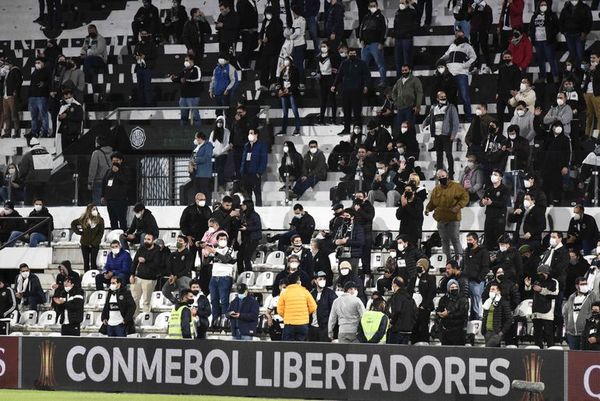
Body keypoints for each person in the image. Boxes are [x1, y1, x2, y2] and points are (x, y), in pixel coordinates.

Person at [425, 169, 469, 259]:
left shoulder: (456, 186)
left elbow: (465, 197)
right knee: (444, 241)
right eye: (440, 177)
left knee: (455, 239)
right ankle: (447, 261)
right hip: (441, 219)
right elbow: (433, 202)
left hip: (453, 218)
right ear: (437, 178)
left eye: (443, 176)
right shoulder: (436, 189)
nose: (442, 178)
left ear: (447, 176)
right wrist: (428, 209)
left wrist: (458, 206)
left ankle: (459, 261)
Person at [439, 27, 475, 121]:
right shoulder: (452, 46)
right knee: (451, 97)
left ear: (463, 34)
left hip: (461, 74)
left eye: (460, 33)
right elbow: (446, 56)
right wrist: (440, 61)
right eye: (457, 33)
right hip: (450, 74)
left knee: (464, 96)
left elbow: (473, 57)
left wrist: (464, 66)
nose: (458, 35)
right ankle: (454, 118)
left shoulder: (467, 46)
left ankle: (468, 118)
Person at [331, 48, 370, 136]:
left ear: (356, 54)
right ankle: (346, 129)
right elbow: (339, 75)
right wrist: (334, 85)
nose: (352, 54)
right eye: (351, 53)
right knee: (346, 111)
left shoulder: (361, 63)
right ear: (348, 54)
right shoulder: (344, 63)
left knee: (357, 112)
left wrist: (366, 86)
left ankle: (358, 131)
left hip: (357, 91)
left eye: (354, 53)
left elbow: (367, 75)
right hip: (346, 91)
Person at [423, 91, 460, 178]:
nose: (443, 98)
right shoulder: (434, 107)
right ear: (437, 98)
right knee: (439, 156)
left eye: (444, 96)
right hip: (437, 135)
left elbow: (456, 122)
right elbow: (429, 117)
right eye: (441, 96)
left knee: (448, 154)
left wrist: (453, 134)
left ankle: (451, 174)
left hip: (446, 135)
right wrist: (424, 123)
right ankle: (439, 174)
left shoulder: (451, 107)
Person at [277, 272, 318, 341]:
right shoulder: (305, 291)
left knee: (287, 348)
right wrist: (304, 314)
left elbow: (279, 310)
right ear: (298, 281)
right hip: (303, 324)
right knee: (302, 348)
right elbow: (313, 307)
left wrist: (287, 316)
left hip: (289, 324)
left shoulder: (284, 293)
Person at [527, 264, 559, 348]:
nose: (540, 275)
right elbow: (529, 293)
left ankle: (551, 352)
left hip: (547, 312)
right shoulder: (536, 281)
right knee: (537, 335)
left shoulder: (554, 281)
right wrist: (527, 286)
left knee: (548, 334)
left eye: (542, 273)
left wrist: (541, 290)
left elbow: (555, 294)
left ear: (547, 273)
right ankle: (538, 351)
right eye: (539, 273)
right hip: (536, 311)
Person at [130, 233, 162, 315]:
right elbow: (135, 262)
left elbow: (157, 266)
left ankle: (145, 320)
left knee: (146, 301)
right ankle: (135, 319)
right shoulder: (141, 249)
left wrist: (145, 261)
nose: (146, 241)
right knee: (134, 300)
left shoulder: (157, 251)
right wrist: (132, 274)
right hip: (138, 278)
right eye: (145, 239)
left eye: (148, 239)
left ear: (153, 240)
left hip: (149, 280)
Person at [208, 232, 236, 325]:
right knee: (214, 301)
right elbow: (207, 262)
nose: (222, 241)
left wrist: (214, 253)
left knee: (224, 301)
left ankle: (225, 322)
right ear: (217, 240)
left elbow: (226, 259)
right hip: (214, 277)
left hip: (225, 277)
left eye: (224, 239)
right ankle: (215, 322)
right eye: (220, 239)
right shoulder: (214, 250)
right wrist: (206, 253)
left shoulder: (230, 249)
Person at [563, 277, 598, 350]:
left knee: (585, 357)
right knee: (573, 356)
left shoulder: (592, 296)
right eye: (582, 284)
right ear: (577, 286)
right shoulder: (571, 297)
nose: (584, 285)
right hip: (572, 333)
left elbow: (596, 313)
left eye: (586, 283)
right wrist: (567, 329)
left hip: (586, 333)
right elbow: (566, 313)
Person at [529, 1, 560, 83]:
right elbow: (531, 28)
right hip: (537, 42)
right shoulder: (534, 16)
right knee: (540, 60)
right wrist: (532, 38)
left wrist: (551, 36)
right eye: (541, 5)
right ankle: (542, 77)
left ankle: (555, 77)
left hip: (548, 42)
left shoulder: (552, 15)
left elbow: (557, 27)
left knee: (551, 59)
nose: (543, 6)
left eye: (545, 5)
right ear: (538, 6)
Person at [359, 0, 387, 87]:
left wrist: (382, 42)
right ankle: (365, 82)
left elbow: (385, 30)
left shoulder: (381, 17)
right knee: (363, 65)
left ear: (377, 6)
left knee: (380, 64)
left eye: (374, 5)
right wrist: (361, 40)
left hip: (376, 44)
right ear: (368, 7)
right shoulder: (366, 17)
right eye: (371, 6)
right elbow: (361, 29)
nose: (372, 7)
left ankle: (383, 81)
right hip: (365, 45)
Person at [462, 232, 490, 320]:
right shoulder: (467, 250)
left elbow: (486, 267)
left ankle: (476, 322)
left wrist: (479, 279)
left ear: (476, 240)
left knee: (476, 304)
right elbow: (464, 265)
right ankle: (468, 321)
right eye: (467, 240)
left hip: (477, 282)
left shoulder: (483, 251)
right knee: (466, 302)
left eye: (470, 240)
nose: (468, 242)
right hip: (466, 281)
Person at [408, 258, 436, 343]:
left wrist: (424, 305)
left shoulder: (430, 278)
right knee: (414, 327)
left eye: (420, 265)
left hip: (424, 307)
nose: (418, 267)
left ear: (425, 267)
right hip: (413, 306)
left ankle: (425, 345)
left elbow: (432, 293)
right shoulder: (413, 278)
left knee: (423, 327)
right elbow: (408, 291)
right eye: (417, 265)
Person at [481, 169, 509, 251]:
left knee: (498, 239)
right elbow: (482, 201)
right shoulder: (489, 189)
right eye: (492, 174)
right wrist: (483, 202)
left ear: (500, 178)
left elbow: (504, 203)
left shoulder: (504, 189)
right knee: (488, 239)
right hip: (489, 217)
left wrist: (492, 203)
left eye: (496, 174)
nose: (493, 176)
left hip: (499, 218)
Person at [170, 54, 202, 127]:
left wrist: (186, 80)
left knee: (195, 116)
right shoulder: (184, 70)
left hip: (193, 97)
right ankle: (183, 133)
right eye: (185, 60)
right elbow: (179, 79)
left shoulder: (196, 69)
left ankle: (199, 133)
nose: (185, 62)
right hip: (183, 97)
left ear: (192, 61)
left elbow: (198, 79)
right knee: (183, 117)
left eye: (187, 60)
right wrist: (173, 78)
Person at [70, 204, 104, 272]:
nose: (95, 211)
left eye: (96, 209)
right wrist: (79, 232)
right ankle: (86, 276)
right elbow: (73, 223)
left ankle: (93, 277)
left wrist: (94, 243)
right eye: (93, 209)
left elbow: (100, 233)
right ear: (89, 210)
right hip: (84, 243)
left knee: (93, 262)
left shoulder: (100, 220)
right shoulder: (84, 219)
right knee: (86, 262)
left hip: (95, 244)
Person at [161, 235, 194, 305]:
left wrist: (176, 276)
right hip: (174, 277)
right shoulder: (173, 254)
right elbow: (168, 266)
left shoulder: (188, 254)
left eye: (180, 241)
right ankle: (177, 303)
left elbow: (187, 268)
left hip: (184, 277)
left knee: (183, 293)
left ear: (185, 243)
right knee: (165, 290)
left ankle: (185, 306)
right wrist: (171, 275)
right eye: (177, 240)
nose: (178, 242)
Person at [257, 7, 284, 91]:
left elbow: (279, 34)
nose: (268, 15)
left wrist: (269, 38)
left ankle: (273, 83)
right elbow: (262, 31)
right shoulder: (265, 21)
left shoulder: (278, 22)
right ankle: (263, 84)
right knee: (264, 66)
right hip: (265, 48)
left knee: (273, 66)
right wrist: (260, 38)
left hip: (274, 48)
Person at [18, 137, 52, 204]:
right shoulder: (48, 154)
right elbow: (51, 167)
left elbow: (23, 170)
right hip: (46, 180)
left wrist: (21, 178)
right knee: (42, 200)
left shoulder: (28, 155)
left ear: (30, 146)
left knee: (29, 200)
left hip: (31, 181)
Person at [436, 279, 469, 345]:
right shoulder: (443, 299)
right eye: (452, 287)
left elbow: (463, 313)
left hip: (459, 330)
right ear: (448, 288)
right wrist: (439, 313)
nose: (455, 289)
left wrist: (448, 314)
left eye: (456, 287)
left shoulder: (463, 299)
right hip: (446, 330)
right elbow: (439, 309)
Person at [101, 152, 129, 231]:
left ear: (121, 161)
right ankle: (114, 236)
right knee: (112, 220)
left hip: (120, 200)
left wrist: (117, 172)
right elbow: (104, 183)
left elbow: (126, 181)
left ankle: (123, 236)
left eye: (117, 160)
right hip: (109, 200)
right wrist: (103, 196)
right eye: (113, 160)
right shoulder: (108, 171)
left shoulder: (125, 170)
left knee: (122, 220)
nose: (115, 162)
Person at [559, 0, 592, 65]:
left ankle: (581, 73)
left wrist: (585, 32)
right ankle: (574, 73)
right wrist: (563, 31)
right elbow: (561, 20)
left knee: (580, 55)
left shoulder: (585, 7)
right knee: (572, 55)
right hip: (568, 34)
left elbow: (589, 20)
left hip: (580, 34)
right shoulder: (566, 7)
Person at [240, 129, 268, 206]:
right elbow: (243, 159)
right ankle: (249, 208)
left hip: (255, 173)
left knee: (257, 192)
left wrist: (259, 172)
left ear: (256, 135)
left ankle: (259, 207)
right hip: (246, 173)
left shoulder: (261, 145)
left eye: (252, 133)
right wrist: (242, 171)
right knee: (248, 194)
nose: (250, 135)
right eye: (249, 133)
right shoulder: (246, 145)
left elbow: (263, 160)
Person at [386, 276, 417, 344]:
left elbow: (397, 310)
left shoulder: (396, 296)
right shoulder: (410, 298)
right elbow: (415, 313)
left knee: (392, 352)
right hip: (408, 330)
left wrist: (392, 321)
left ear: (395, 284)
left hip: (397, 331)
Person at [276, 56, 302, 136]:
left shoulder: (295, 70)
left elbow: (296, 82)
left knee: (295, 111)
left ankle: (297, 129)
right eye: (285, 60)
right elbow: (279, 81)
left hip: (291, 93)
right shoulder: (282, 70)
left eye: (287, 60)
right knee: (285, 112)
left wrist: (290, 89)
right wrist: (280, 89)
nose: (286, 62)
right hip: (284, 93)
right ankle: (284, 130)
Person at [309, 271, 337, 341]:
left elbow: (334, 311)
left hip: (325, 328)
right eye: (320, 279)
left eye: (324, 279)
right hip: (313, 328)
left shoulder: (330, 294)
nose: (322, 281)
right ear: (315, 281)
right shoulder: (311, 294)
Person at [393, 0, 417, 78]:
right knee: (398, 61)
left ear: (407, 4)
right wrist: (395, 35)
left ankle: (408, 78)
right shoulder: (397, 12)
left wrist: (414, 4)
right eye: (400, 3)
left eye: (402, 3)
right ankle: (399, 79)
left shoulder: (412, 12)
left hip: (407, 38)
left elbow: (418, 15)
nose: (401, 4)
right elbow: (395, 25)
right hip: (398, 39)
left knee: (407, 60)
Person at [496, 51, 522, 124]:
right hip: (501, 94)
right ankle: (499, 134)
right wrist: (497, 92)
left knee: (512, 115)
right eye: (505, 57)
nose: (506, 59)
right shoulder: (501, 68)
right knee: (499, 115)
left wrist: (516, 91)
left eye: (508, 57)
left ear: (511, 57)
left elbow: (518, 80)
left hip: (511, 95)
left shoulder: (516, 68)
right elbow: (499, 80)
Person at [132, 29, 156, 107]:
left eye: (145, 34)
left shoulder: (151, 44)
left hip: (147, 68)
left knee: (147, 87)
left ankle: (148, 103)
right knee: (140, 87)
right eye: (142, 34)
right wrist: (136, 56)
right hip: (139, 68)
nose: (143, 35)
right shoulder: (138, 44)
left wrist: (145, 56)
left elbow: (154, 55)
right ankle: (141, 103)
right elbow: (134, 54)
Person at [28, 57, 51, 137]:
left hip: (42, 96)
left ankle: (45, 132)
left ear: (43, 63)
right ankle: (34, 132)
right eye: (36, 62)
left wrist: (44, 84)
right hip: (33, 97)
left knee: (43, 115)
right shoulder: (34, 72)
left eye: (39, 62)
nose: (37, 64)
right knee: (34, 116)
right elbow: (31, 84)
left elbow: (49, 82)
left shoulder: (47, 71)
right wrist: (29, 96)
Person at [237, 199, 262, 273]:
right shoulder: (244, 215)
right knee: (239, 256)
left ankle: (248, 274)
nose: (242, 206)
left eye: (244, 205)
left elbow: (258, 226)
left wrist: (247, 228)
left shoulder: (254, 215)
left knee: (247, 258)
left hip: (253, 239)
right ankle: (241, 274)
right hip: (246, 239)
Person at [1, 58, 23, 138]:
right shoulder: (7, 72)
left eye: (7, 64)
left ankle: (17, 132)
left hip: (11, 95)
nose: (6, 66)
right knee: (6, 115)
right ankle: (7, 132)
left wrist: (15, 90)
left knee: (14, 114)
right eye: (5, 64)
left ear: (11, 64)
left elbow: (19, 81)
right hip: (5, 96)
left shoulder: (15, 70)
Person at [88, 137, 113, 205]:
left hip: (99, 181)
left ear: (98, 143)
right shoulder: (112, 153)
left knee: (97, 204)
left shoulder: (96, 153)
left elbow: (93, 169)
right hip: (110, 181)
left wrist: (90, 182)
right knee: (108, 204)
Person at [469, 0, 492, 73]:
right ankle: (477, 67)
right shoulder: (473, 6)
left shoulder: (487, 7)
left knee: (484, 48)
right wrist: (469, 11)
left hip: (482, 31)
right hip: (474, 31)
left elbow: (489, 19)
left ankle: (488, 66)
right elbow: (467, 18)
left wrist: (486, 30)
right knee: (475, 49)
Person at [191, 132, 214, 205]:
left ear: (200, 138)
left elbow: (207, 158)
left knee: (205, 191)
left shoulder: (208, 146)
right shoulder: (198, 147)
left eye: (196, 138)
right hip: (197, 173)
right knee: (198, 191)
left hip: (204, 173)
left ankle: (207, 205)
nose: (195, 140)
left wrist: (196, 160)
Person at [236, 0, 258, 69]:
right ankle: (243, 62)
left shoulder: (252, 1)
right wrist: (248, 28)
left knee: (254, 45)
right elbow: (242, 16)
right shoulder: (241, 2)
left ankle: (245, 62)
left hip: (253, 29)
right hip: (247, 29)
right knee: (247, 47)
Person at [582, 53, 600, 137]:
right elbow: (586, 80)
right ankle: (587, 135)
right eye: (591, 57)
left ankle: (596, 136)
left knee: (598, 115)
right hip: (588, 94)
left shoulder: (597, 69)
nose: (592, 59)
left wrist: (594, 70)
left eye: (594, 57)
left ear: (599, 58)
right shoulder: (589, 68)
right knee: (589, 114)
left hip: (596, 94)